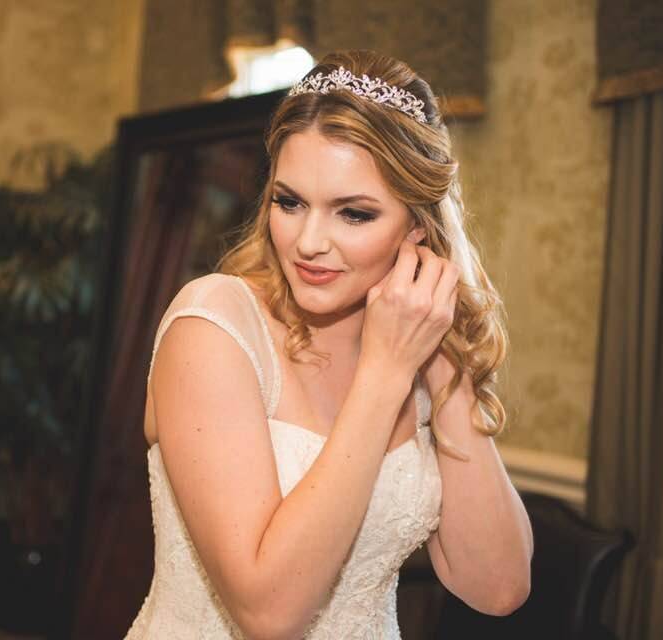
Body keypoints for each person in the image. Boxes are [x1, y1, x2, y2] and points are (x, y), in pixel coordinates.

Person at [124, 49, 534, 639]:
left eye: (354, 214)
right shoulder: (214, 327)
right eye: (289, 202)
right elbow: (267, 612)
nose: (308, 241)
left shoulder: (422, 351)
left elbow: (498, 588)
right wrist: (386, 372)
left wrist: (445, 361)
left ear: (417, 226)